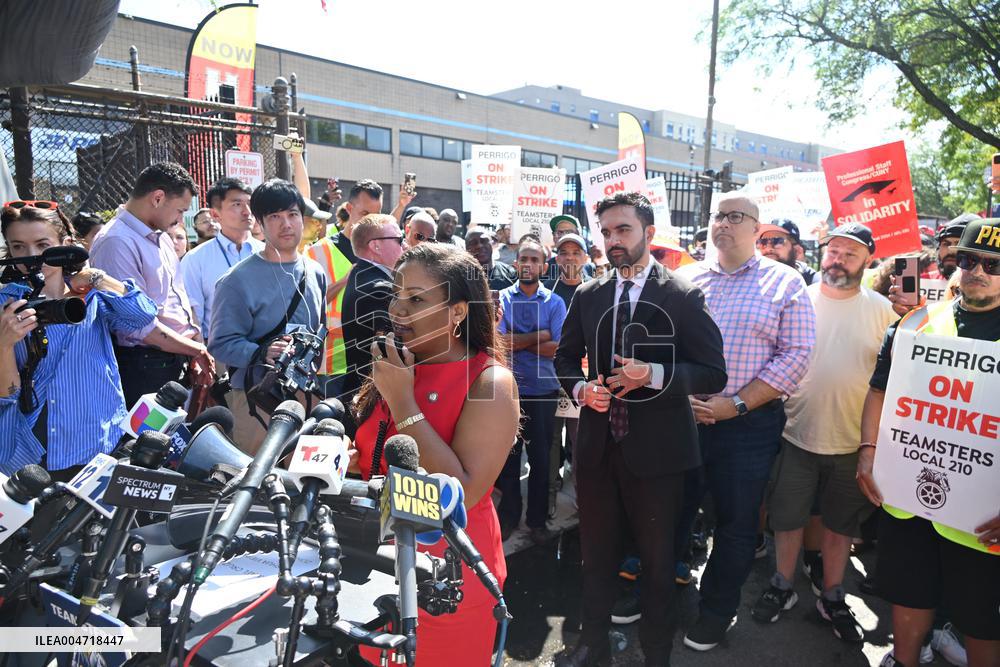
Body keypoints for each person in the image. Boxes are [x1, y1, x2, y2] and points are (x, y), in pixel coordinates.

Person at [554, 192, 727, 667]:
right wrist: (581, 390)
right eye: (606, 232)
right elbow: (566, 358)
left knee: (656, 565)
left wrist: (652, 375)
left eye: (622, 230)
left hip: (658, 456)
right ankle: (592, 645)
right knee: (596, 558)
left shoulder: (683, 295)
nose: (612, 240)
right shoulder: (589, 294)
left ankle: (656, 654)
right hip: (596, 449)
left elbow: (714, 373)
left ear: (648, 233)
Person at [350, 242, 518, 666]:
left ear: (458, 311)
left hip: (449, 581)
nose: (398, 310)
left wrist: (404, 403)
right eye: (397, 294)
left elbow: (463, 491)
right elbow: (375, 456)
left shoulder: (490, 382)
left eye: (417, 299)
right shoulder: (397, 363)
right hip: (377, 569)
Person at [857, 218, 1000, 667]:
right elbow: (879, 391)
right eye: (969, 260)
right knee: (909, 596)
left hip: (981, 518)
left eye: (992, 264)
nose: (976, 270)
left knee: (981, 619)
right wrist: (867, 453)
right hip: (908, 499)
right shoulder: (915, 322)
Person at [678, 193, 815, 652]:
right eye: (717, 214)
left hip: (748, 425)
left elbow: (796, 356)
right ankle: (662, 590)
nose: (723, 223)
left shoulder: (785, 283)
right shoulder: (684, 278)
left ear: (757, 229)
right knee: (674, 512)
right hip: (683, 421)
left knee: (736, 527)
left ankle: (716, 610)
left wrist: (734, 404)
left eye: (735, 216)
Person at [752, 224, 895, 643]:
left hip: (854, 442)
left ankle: (832, 595)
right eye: (833, 251)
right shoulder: (798, 299)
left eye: (851, 253)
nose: (839, 259)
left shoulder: (884, 311)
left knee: (840, 525)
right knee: (788, 519)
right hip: (795, 433)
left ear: (868, 260)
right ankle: (782, 585)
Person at [0, 204, 157, 480]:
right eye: (18, 247)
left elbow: (143, 315)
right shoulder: (6, 304)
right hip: (39, 445)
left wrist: (97, 277)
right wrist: (5, 345)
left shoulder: (93, 295)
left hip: (101, 438)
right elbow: (7, 394)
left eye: (42, 244)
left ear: (65, 245)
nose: (31, 256)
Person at [208, 180, 326, 453]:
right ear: (259, 223)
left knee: (298, 481)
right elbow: (220, 343)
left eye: (292, 215)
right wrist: (261, 352)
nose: (286, 224)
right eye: (275, 216)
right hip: (255, 399)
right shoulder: (235, 281)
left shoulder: (315, 271)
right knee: (255, 481)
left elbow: (318, 329)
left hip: (304, 394)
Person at [89, 162, 214, 406]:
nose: (180, 220)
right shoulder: (116, 242)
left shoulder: (160, 237)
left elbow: (179, 302)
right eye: (180, 211)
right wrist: (195, 349)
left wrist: (192, 349)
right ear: (157, 198)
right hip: (145, 368)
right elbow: (137, 325)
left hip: (177, 359)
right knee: (147, 443)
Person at [496, 238, 567, 544]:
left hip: (542, 391)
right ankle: (509, 516)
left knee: (540, 459)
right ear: (516, 264)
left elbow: (557, 349)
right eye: (523, 258)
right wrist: (539, 336)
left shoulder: (555, 302)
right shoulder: (502, 300)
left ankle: (536, 520)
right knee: (509, 458)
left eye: (534, 259)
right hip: (508, 391)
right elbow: (499, 343)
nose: (527, 263)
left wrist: (520, 339)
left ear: (543, 266)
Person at [305, 180, 379, 399]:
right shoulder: (319, 251)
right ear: (349, 209)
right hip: (331, 362)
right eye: (364, 213)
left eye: (375, 214)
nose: (370, 221)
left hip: (367, 358)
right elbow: (312, 305)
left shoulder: (378, 252)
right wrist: (346, 280)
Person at [179, 177, 261, 342]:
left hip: (267, 352)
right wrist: (202, 354)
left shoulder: (269, 253)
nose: (247, 211)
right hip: (219, 351)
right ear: (215, 214)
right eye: (237, 204)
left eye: (249, 203)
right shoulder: (196, 259)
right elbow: (194, 314)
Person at [544, 231, 591, 514]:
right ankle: (549, 493)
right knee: (550, 439)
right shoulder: (546, 291)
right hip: (550, 379)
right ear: (557, 258)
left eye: (576, 252)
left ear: (585, 257)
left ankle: (585, 494)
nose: (570, 257)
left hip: (584, 381)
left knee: (582, 438)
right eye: (564, 252)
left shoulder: (598, 291)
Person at [340, 214, 407, 409]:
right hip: (372, 399)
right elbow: (401, 347)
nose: (404, 245)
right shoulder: (379, 288)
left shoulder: (363, 275)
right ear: (375, 246)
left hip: (364, 394)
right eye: (399, 239)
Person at [756, 219, 818, 284]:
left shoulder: (812, 281)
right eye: (763, 242)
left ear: (797, 250)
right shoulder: (751, 278)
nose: (768, 249)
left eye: (777, 241)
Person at [926, 213, 980, 279]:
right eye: (946, 244)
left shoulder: (992, 287)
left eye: (959, 244)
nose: (951, 251)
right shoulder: (922, 282)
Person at [466, 227, 516, 291]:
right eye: (473, 243)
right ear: (466, 248)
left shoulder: (510, 273)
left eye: (484, 241)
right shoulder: (460, 277)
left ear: (492, 243)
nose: (479, 246)